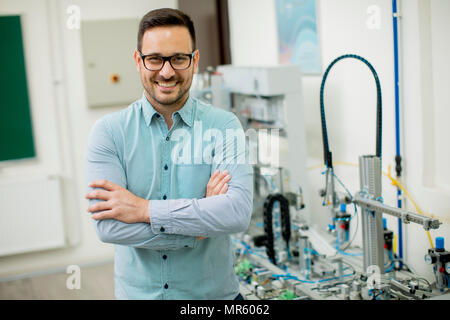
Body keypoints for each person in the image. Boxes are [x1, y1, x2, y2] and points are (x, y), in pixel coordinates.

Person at [85, 8, 253, 300]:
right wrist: (201, 226)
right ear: (138, 61)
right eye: (154, 59)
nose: (166, 71)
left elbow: (236, 214)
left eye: (178, 58)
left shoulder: (224, 126)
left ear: (195, 61)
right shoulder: (109, 132)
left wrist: (143, 210)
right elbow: (109, 227)